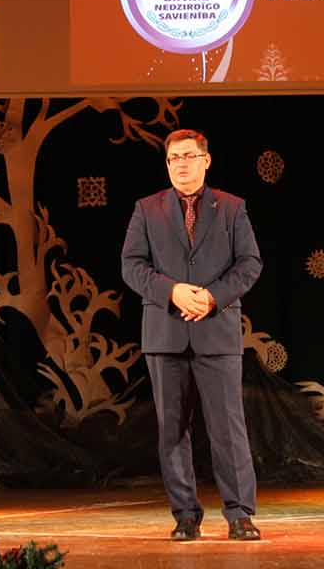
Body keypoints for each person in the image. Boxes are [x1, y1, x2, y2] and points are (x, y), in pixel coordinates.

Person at [121, 129, 264, 542]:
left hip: (216, 331)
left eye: (188, 156)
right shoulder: (147, 209)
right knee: (172, 430)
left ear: (206, 160)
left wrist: (212, 297)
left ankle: (240, 515)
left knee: (228, 428)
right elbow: (132, 265)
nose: (180, 165)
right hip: (165, 335)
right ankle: (185, 515)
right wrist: (172, 292)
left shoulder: (232, 207)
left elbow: (249, 263)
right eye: (173, 158)